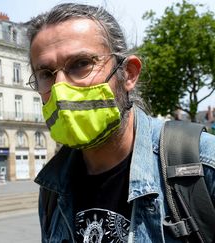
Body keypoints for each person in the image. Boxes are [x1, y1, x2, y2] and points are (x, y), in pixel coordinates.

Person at [26, 3, 215, 242]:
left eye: (81, 64)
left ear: (128, 74)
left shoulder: (204, 163)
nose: (61, 88)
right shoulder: (52, 188)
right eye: (46, 73)